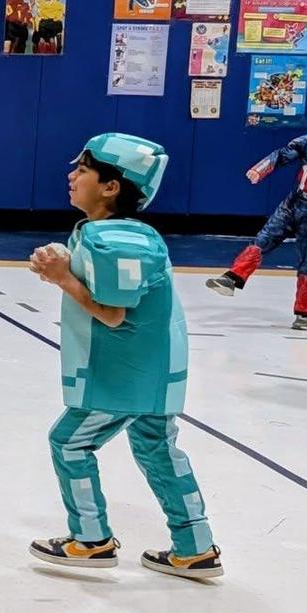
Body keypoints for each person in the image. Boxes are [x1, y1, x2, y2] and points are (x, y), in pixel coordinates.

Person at [25, 132, 222, 579]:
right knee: (158, 448)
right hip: (155, 368)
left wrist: (61, 277)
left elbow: (112, 314)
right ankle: (195, 547)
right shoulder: (124, 233)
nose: (71, 175)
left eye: (83, 170)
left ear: (112, 186)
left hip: (124, 372)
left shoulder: (113, 237)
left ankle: (91, 538)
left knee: (69, 442)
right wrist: (62, 262)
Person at [206, 103, 307, 330]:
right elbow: (281, 155)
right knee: (263, 239)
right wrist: (261, 169)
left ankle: (305, 313)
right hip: (292, 204)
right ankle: (233, 278)